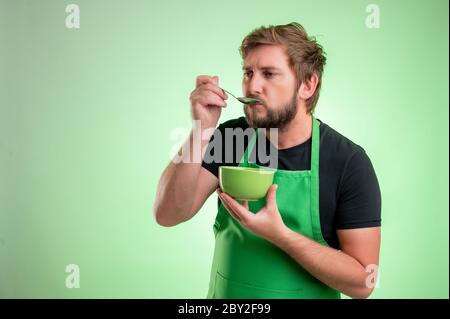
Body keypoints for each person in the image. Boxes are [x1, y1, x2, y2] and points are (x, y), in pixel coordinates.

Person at [153, 22, 381, 299]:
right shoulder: (231, 138)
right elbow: (168, 214)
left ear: (307, 85)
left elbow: (363, 283)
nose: (253, 85)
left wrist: (281, 235)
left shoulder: (347, 162)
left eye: (269, 74)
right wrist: (201, 130)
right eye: (248, 72)